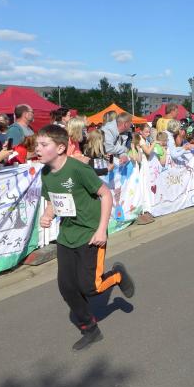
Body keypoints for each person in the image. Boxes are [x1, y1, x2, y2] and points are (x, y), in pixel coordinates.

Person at [36, 124, 135, 351]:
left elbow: (105, 194)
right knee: (67, 287)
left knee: (91, 287)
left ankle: (118, 275)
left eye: (43, 144)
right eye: (37, 144)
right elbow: (53, 201)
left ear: (60, 148)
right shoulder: (46, 173)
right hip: (67, 235)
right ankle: (90, 329)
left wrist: (101, 230)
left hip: (91, 233)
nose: (37, 149)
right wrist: (48, 215)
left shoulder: (78, 169)